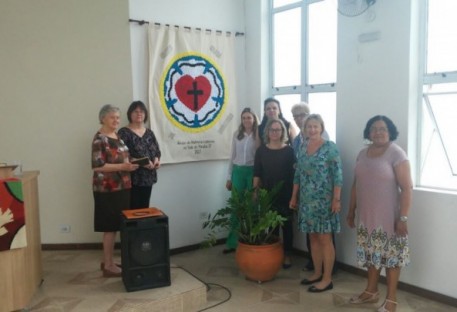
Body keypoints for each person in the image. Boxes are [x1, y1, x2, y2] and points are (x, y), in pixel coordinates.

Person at [346, 115, 412, 312]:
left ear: (390, 131)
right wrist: (351, 211)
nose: (378, 132)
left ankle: (391, 301)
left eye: (382, 128)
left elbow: (407, 189)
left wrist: (403, 218)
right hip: (367, 218)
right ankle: (371, 291)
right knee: (371, 256)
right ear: (368, 133)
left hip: (390, 220)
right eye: (374, 129)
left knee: (391, 259)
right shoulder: (362, 154)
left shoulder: (396, 154)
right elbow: (356, 185)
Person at [289, 114, 342, 293]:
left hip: (325, 202)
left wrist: (336, 199)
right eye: (309, 127)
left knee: (325, 239)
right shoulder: (302, 147)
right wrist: (294, 197)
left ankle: (327, 279)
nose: (312, 129)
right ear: (305, 129)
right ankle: (317, 273)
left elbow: (338, 176)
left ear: (321, 127)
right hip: (306, 201)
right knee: (312, 237)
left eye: (315, 126)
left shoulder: (330, 148)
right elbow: (298, 175)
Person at [91, 104, 139, 278]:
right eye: (113, 117)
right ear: (103, 118)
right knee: (109, 227)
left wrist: (137, 162)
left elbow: (123, 157)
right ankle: (109, 266)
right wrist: (122, 166)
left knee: (116, 225)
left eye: (118, 118)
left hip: (123, 187)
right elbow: (97, 166)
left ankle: (108, 261)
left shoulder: (117, 136)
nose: (116, 120)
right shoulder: (100, 139)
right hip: (107, 189)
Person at [290, 102, 333, 273]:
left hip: (323, 195)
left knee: (325, 236)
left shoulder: (326, 141)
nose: (299, 118)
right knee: (312, 233)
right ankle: (315, 266)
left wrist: (334, 198)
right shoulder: (297, 141)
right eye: (296, 116)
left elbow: (333, 172)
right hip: (306, 193)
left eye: (302, 115)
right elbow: (298, 167)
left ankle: (329, 270)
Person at [253, 118, 295, 269]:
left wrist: (295, 196)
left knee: (287, 226)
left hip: (286, 194)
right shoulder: (261, 151)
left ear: (283, 132)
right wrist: (255, 192)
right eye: (272, 130)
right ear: (267, 132)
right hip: (267, 194)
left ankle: (287, 255)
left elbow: (294, 175)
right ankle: (273, 253)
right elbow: (257, 173)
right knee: (271, 227)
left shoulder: (289, 151)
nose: (275, 133)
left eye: (278, 130)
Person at [224, 107, 260, 254]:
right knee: (236, 207)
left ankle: (252, 240)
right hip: (238, 172)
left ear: (254, 119)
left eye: (249, 117)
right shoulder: (236, 135)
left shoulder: (258, 136)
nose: (246, 120)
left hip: (252, 172)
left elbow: (260, 157)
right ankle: (233, 243)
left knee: (253, 206)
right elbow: (231, 156)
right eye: (244, 117)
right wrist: (228, 177)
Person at [118, 101, 161, 209]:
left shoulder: (149, 132)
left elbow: (156, 151)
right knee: (133, 209)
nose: (139, 114)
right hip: (133, 178)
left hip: (148, 177)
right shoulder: (124, 132)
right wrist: (142, 163)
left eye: (141, 111)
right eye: (135, 111)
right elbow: (121, 155)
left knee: (145, 208)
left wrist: (156, 160)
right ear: (129, 114)